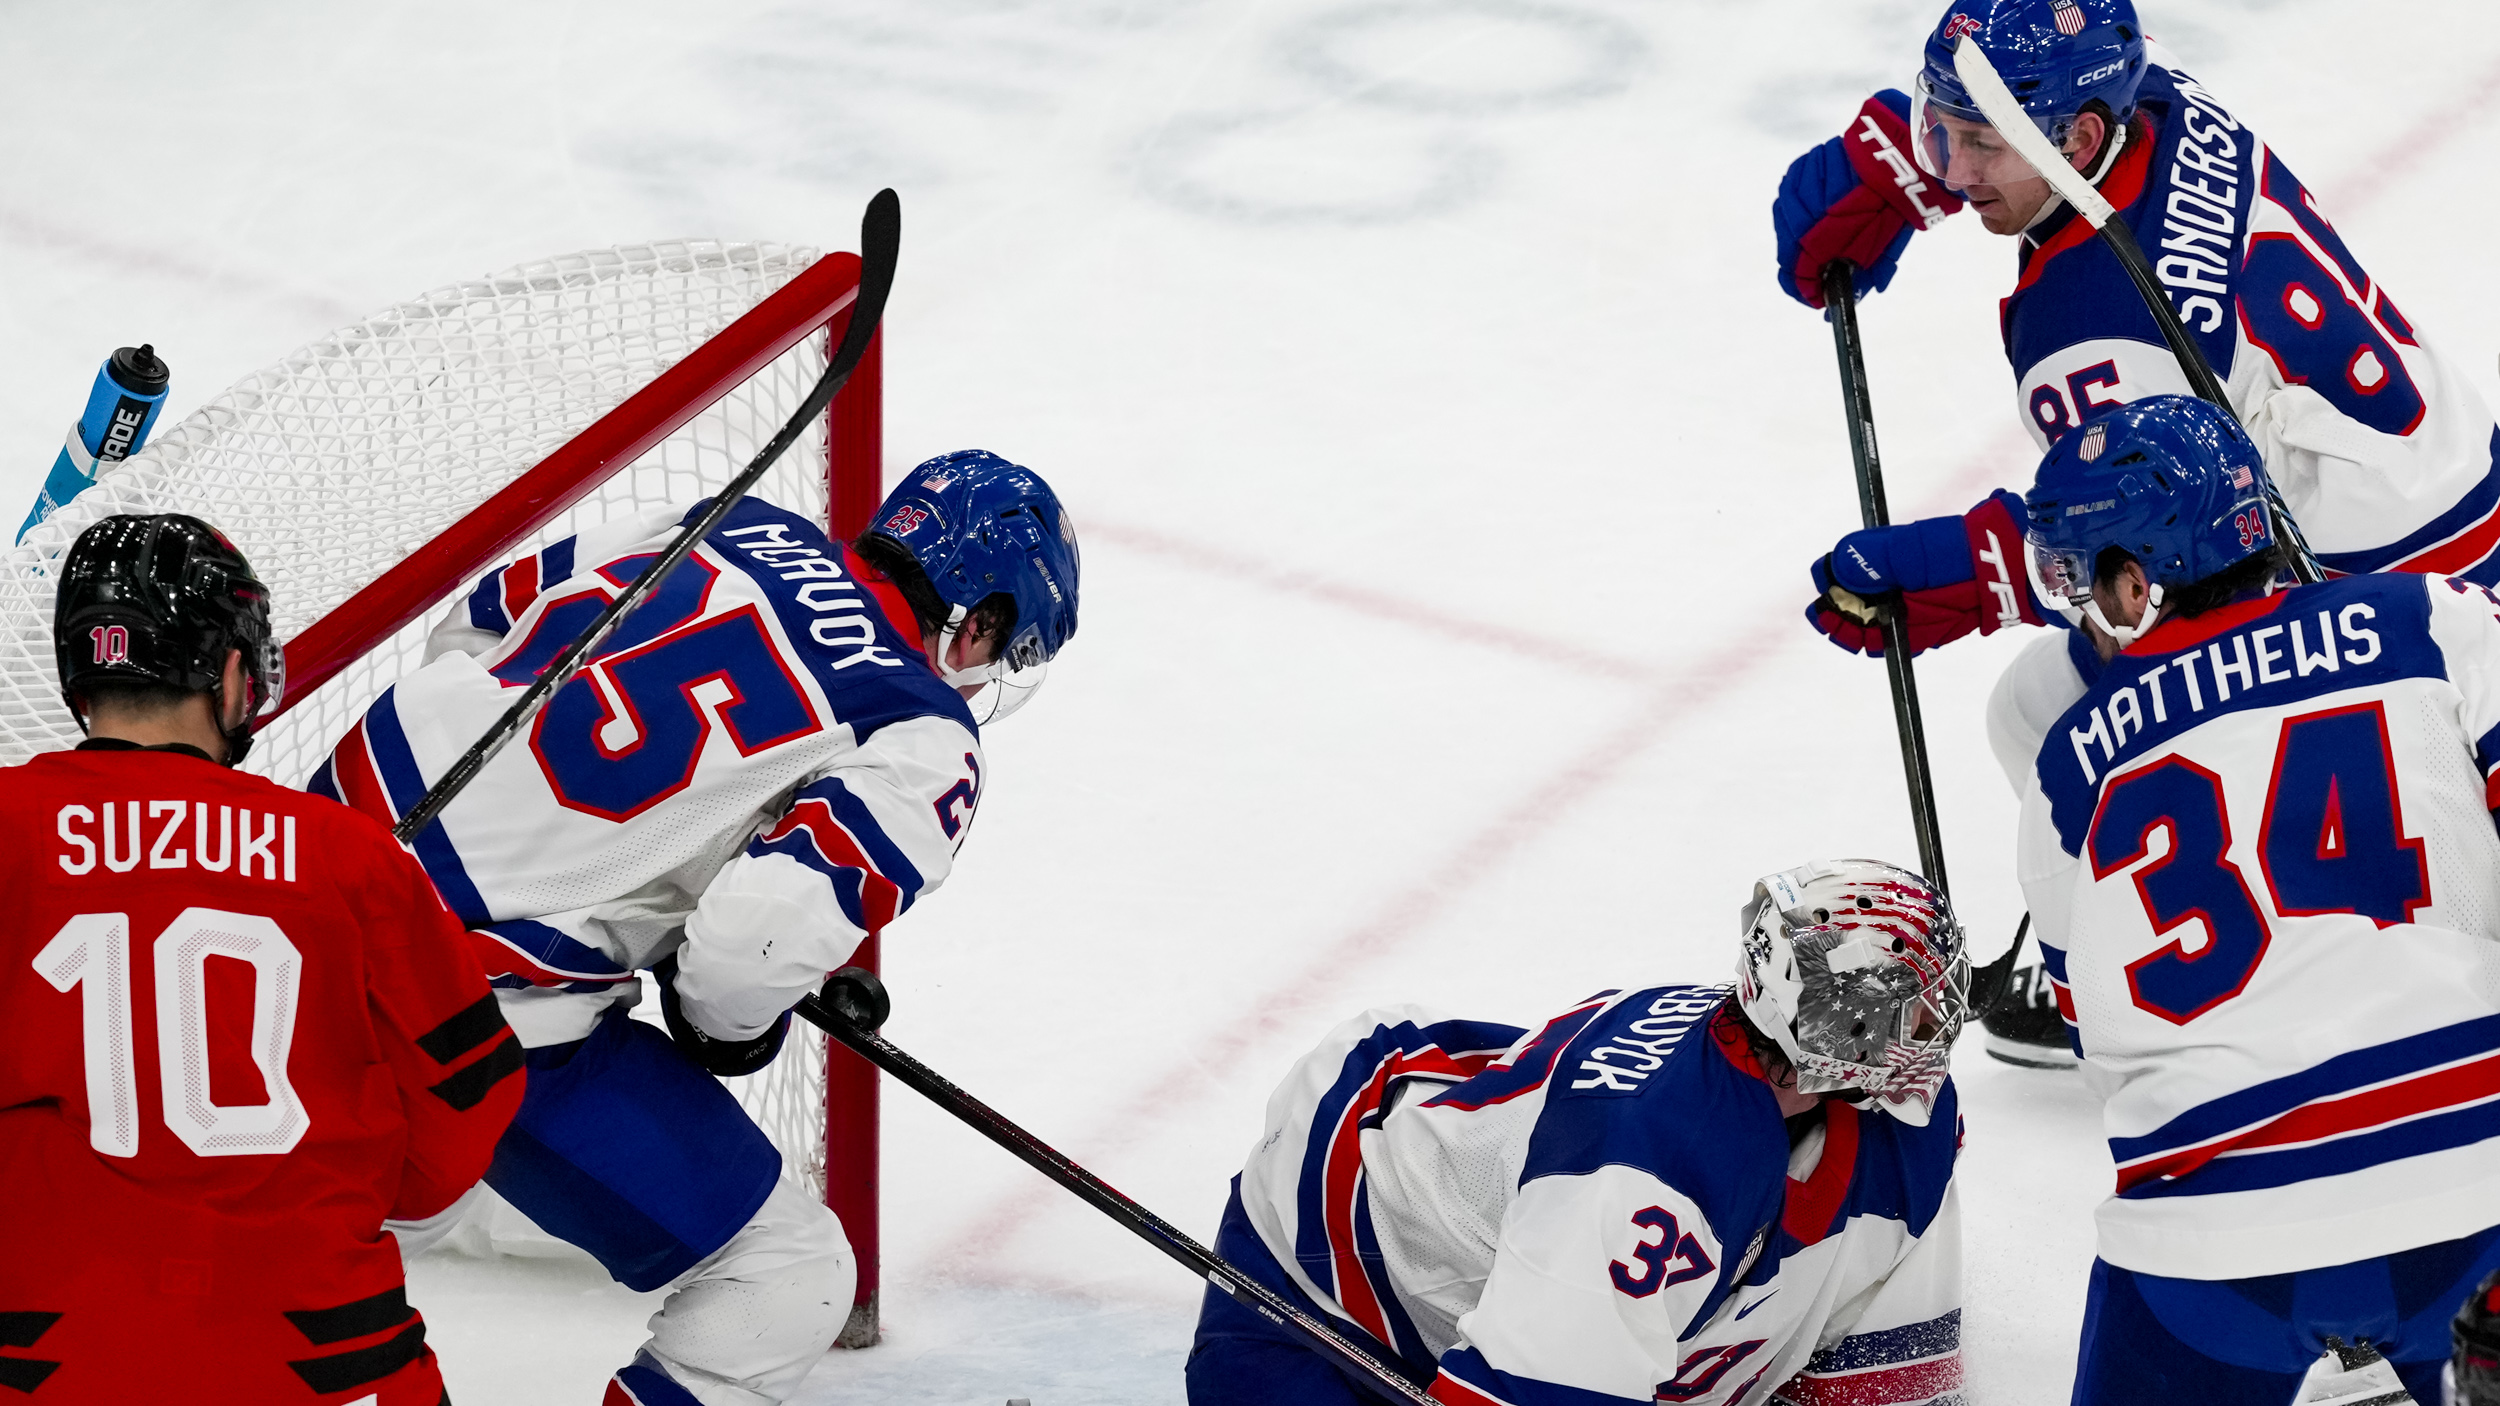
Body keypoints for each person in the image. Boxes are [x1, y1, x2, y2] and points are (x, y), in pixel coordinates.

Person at [1772, 0, 2500, 1067]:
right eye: (1942, 131)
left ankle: (2140, 968)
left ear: (2074, 137)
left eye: (1978, 144)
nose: (1956, 167)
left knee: (2043, 711)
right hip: (2462, 504)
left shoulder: (2090, 321)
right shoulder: (2156, 95)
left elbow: (2146, 530)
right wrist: (1902, 159)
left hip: (2362, 591)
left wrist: (1975, 570)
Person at [320, 450, 1079, 1406]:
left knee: (379, 1201)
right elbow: (742, 958)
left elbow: (474, 626)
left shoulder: (728, 520)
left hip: (299, 871)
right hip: (463, 1006)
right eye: (1008, 651)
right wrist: (732, 1029)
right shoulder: (922, 733)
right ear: (983, 623)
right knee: (790, 1278)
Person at [2008, 395, 2500, 1401]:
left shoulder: (2065, 768)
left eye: (2075, 578)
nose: (2075, 609)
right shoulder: (2434, 620)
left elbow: (2092, 1041)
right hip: (2475, 1189)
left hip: (2212, 1243)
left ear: (2134, 584)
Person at [0, 514, 523, 1404]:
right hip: (322, 1350)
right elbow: (469, 1095)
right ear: (234, 670)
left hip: (39, 1353)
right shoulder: (347, 851)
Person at [1185, 859, 1970, 1406]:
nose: (1937, 1030)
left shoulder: (1904, 1120)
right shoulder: (1643, 1168)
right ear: (1839, 1024)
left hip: (1540, 1238)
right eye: (1914, 1010)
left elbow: (1887, 1381)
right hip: (1335, 1270)